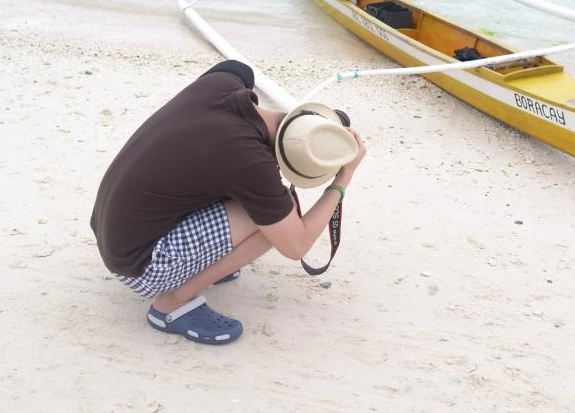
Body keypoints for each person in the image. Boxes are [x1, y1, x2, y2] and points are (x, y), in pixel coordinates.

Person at [91, 60, 368, 345]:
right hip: (139, 266)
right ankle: (172, 303)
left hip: (111, 229)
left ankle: (205, 263)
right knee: (282, 218)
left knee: (264, 206)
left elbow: (235, 72)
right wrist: (343, 178)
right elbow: (296, 245)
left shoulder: (225, 82)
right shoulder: (248, 161)